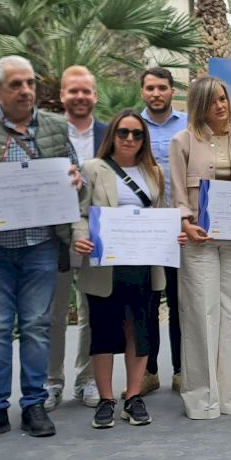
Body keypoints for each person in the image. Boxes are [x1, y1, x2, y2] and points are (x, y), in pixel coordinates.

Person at [0, 55, 84, 443]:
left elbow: (78, 182)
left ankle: (33, 406)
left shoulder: (56, 126)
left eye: (30, 83)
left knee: (36, 327)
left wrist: (77, 181)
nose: (26, 90)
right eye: (16, 84)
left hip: (41, 244)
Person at [72, 110, 174, 429]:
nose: (130, 138)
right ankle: (106, 399)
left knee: (138, 331)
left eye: (137, 134)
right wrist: (80, 237)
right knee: (103, 332)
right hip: (105, 264)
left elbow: (161, 213)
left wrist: (174, 233)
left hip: (143, 263)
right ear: (112, 135)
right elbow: (80, 213)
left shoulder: (154, 172)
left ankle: (133, 396)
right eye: (123, 132)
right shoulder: (93, 168)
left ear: (144, 139)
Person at [171, 77, 231, 419]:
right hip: (200, 238)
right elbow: (177, 191)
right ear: (199, 106)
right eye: (211, 101)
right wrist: (185, 223)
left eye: (222, 98)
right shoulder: (182, 141)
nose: (220, 106)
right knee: (201, 314)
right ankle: (201, 399)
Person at [47, 66, 108, 410]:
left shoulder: (109, 133)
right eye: (73, 90)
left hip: (95, 236)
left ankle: (87, 380)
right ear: (62, 96)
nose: (80, 96)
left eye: (86, 90)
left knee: (92, 312)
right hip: (53, 236)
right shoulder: (46, 134)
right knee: (53, 315)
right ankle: (52, 381)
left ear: (95, 95)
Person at [140, 66, 187, 393]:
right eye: (150, 88)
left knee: (179, 301)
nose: (156, 93)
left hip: (180, 226)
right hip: (143, 229)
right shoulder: (132, 127)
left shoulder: (188, 125)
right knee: (146, 302)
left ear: (172, 91)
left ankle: (181, 370)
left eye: (162, 88)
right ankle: (149, 371)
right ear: (143, 92)